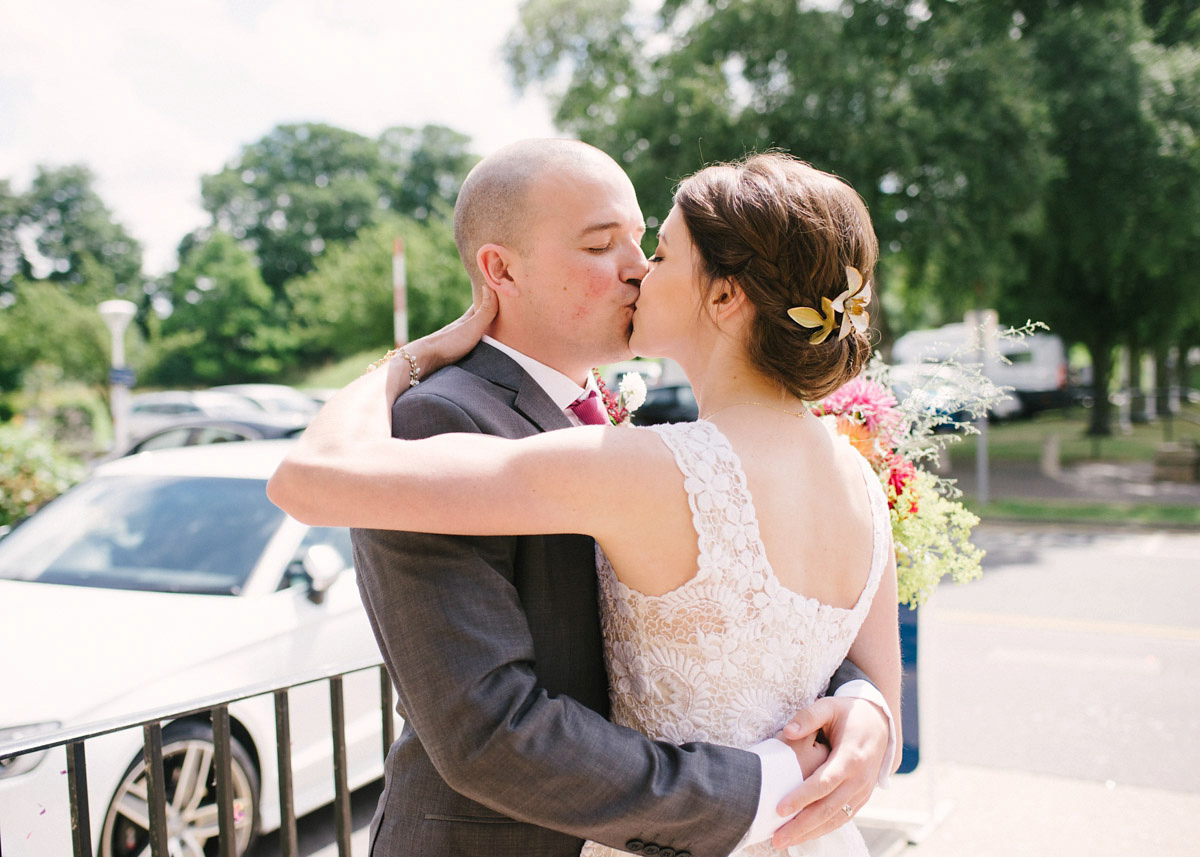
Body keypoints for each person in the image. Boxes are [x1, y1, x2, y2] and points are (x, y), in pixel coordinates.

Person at [269, 142, 898, 857]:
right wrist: (413, 360)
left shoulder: (643, 451)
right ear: (500, 269)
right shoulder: (438, 418)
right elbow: (486, 728)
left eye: (648, 244)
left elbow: (765, 621)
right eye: (606, 245)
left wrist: (862, 704)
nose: (636, 266)